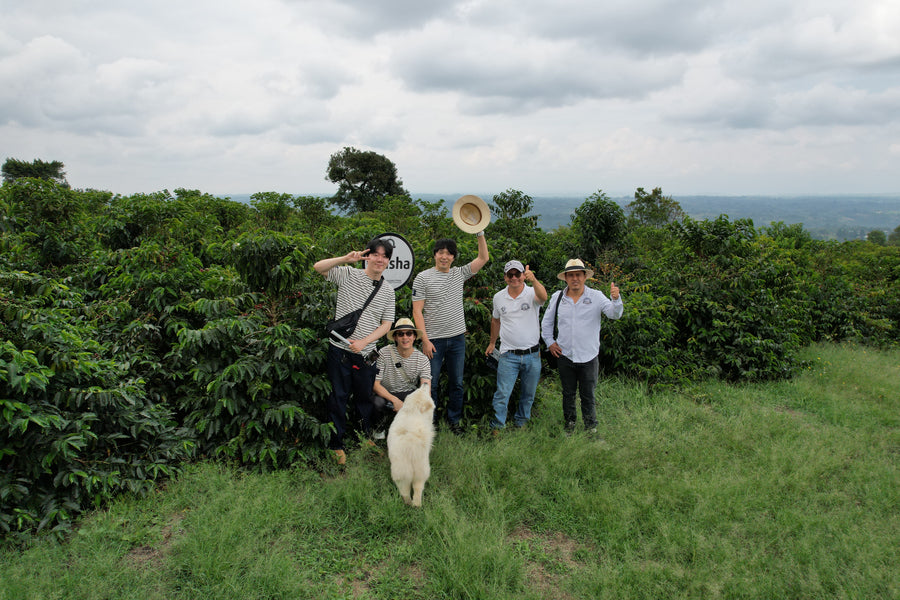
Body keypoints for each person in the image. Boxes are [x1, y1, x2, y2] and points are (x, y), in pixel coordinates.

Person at [314, 238, 396, 464]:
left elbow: (386, 325)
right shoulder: (349, 275)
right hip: (340, 350)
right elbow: (318, 267)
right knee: (338, 397)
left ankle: (365, 438)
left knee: (364, 399)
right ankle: (336, 444)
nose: (380, 259)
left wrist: (364, 342)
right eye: (376, 254)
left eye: (385, 256)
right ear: (367, 255)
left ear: (388, 261)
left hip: (367, 353)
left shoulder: (388, 291)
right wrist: (344, 259)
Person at [412, 232, 489, 434]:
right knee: (431, 384)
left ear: (454, 257)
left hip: (457, 339)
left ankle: (454, 421)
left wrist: (480, 233)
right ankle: (431, 422)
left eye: (449, 253)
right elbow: (417, 311)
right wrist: (425, 340)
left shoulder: (458, 274)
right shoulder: (423, 277)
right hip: (433, 340)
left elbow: (483, 258)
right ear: (434, 255)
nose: (444, 256)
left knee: (456, 383)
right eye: (440, 252)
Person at [541, 259, 623, 435]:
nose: (574, 279)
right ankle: (569, 425)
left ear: (585, 276)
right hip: (565, 355)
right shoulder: (558, 298)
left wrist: (616, 299)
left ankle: (591, 428)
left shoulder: (596, 296)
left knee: (588, 395)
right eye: (571, 275)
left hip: (589, 356)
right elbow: (546, 323)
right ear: (566, 278)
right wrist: (550, 342)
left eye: (578, 274)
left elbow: (613, 314)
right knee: (568, 394)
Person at [485, 260, 547, 430]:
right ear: (505, 277)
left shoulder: (531, 292)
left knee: (528, 394)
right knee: (502, 394)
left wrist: (534, 280)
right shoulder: (498, 297)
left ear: (523, 276)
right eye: (510, 275)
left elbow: (543, 297)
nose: (514, 278)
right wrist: (492, 342)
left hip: (532, 354)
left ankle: (521, 424)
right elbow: (495, 320)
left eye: (517, 274)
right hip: (508, 355)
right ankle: (498, 426)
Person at [372, 318, 432, 438]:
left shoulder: (422, 359)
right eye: (400, 334)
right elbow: (375, 384)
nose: (405, 337)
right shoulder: (384, 353)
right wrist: (394, 400)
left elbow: (426, 389)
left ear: (414, 337)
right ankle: (379, 432)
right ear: (395, 337)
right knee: (376, 403)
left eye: (409, 333)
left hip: (408, 394)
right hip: (386, 394)